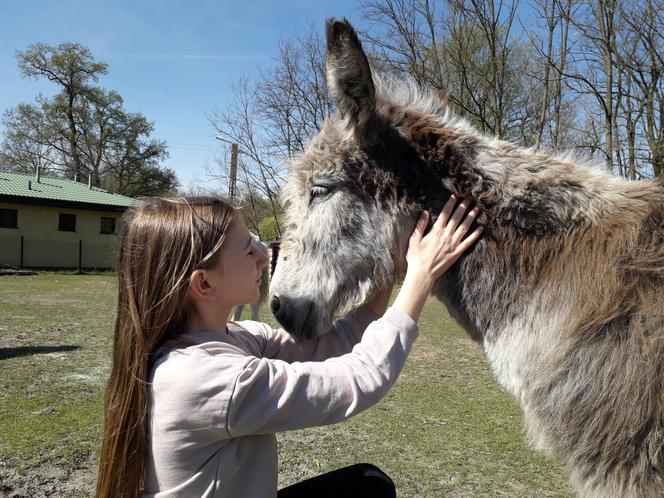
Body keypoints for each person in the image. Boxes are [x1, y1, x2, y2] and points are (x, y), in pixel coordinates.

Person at [95, 195, 483, 498]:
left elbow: (336, 345)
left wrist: (390, 262)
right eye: (248, 250)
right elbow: (357, 379)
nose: (264, 256)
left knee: (368, 485)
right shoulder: (200, 378)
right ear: (204, 285)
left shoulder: (237, 338)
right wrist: (421, 279)